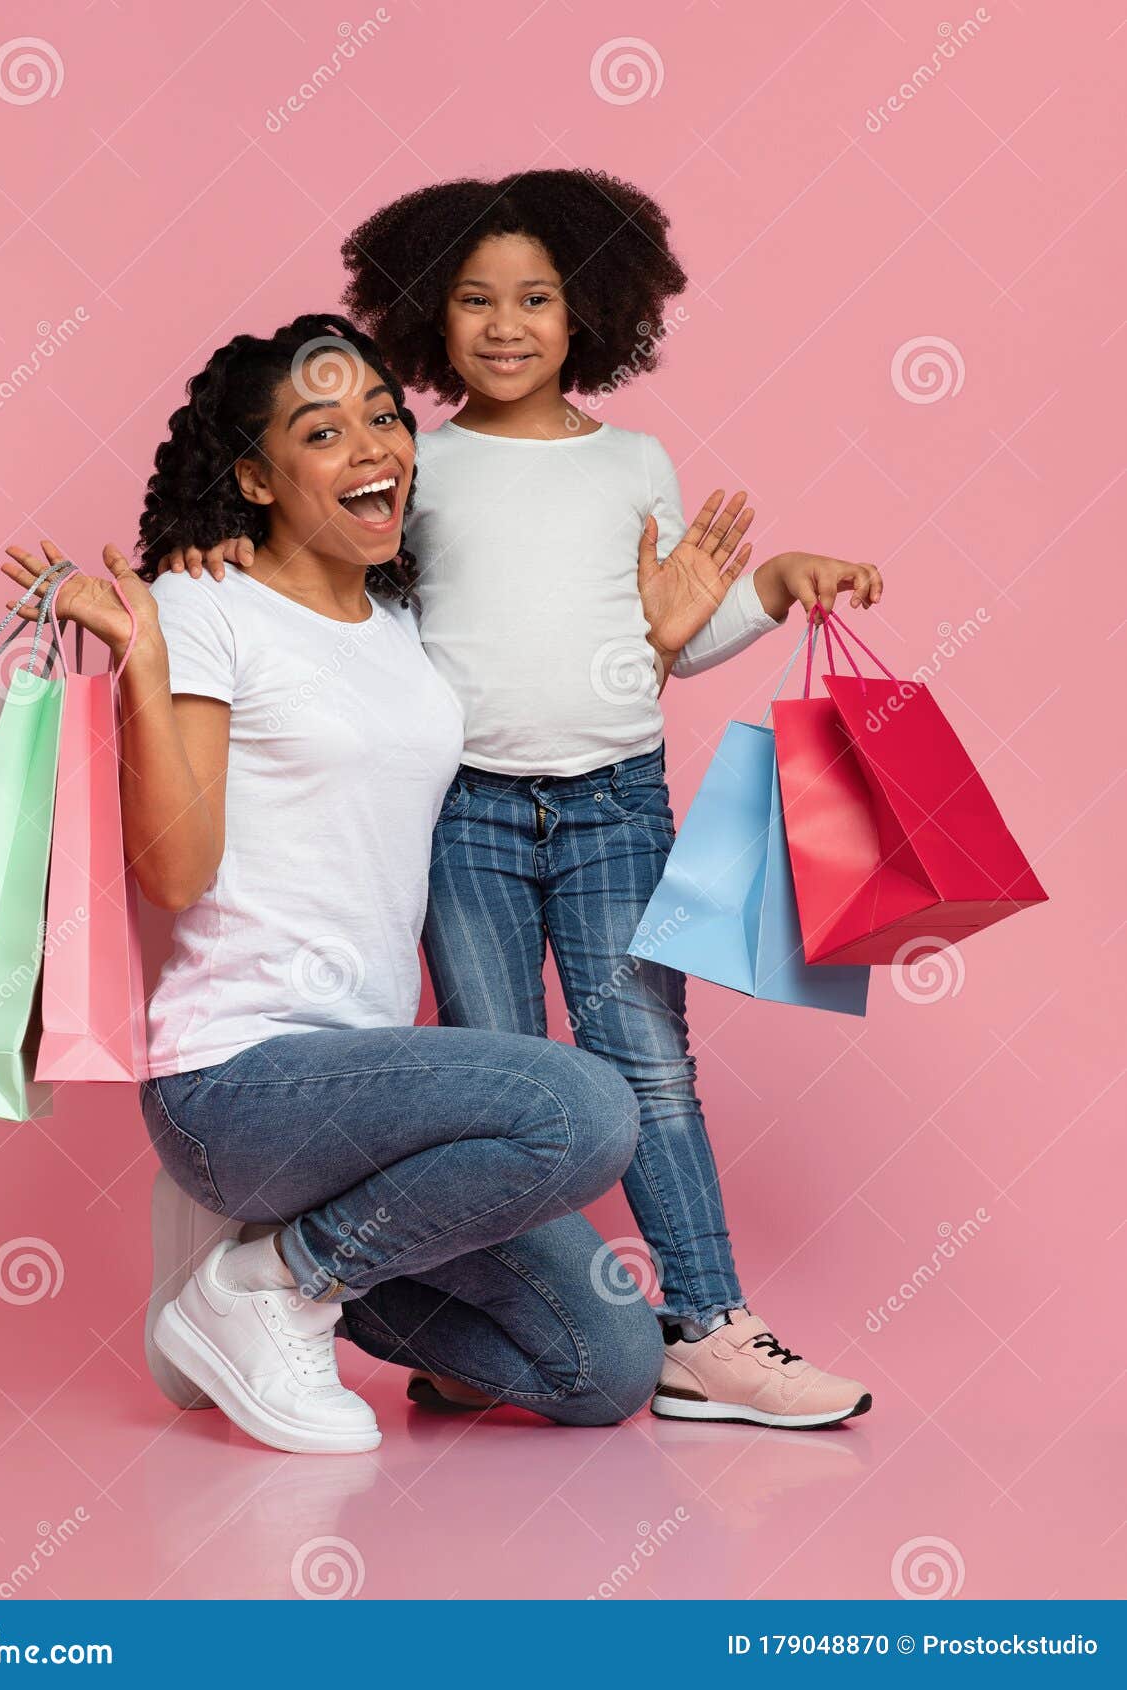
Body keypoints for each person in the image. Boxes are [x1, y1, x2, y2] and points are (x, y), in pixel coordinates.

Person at [165, 170, 880, 1429]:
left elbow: (664, 632)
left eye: (537, 298)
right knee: (502, 1065)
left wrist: (758, 593)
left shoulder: (635, 462)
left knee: (644, 1066)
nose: (504, 324)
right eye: (472, 300)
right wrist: (216, 549)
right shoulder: (412, 470)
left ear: (590, 311)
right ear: (425, 321)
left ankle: (708, 1324)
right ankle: (481, 1326)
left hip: (614, 803)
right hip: (469, 818)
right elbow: (341, 592)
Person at [0, 314, 662, 1455]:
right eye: (323, 430)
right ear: (255, 476)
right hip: (241, 1079)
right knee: (584, 1108)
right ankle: (273, 1282)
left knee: (604, 1367)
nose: (372, 447)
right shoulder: (205, 609)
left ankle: (241, 1272)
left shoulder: (403, 622)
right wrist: (144, 661)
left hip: (369, 1097)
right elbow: (174, 870)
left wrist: (675, 628)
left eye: (383, 417)